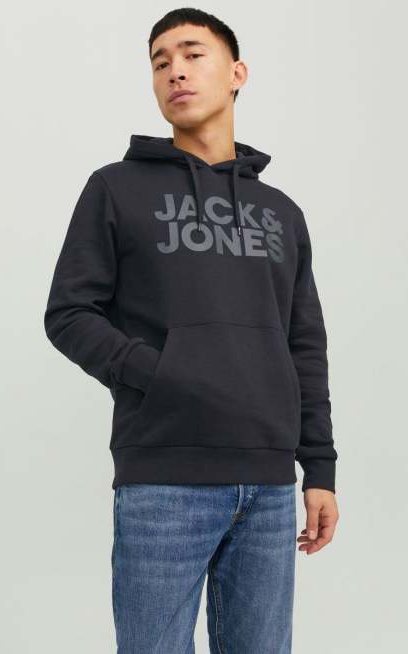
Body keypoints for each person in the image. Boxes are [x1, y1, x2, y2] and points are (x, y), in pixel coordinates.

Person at [44, 7, 339, 653]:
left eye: (192, 54)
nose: (174, 70)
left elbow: (303, 343)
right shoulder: (115, 189)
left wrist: (318, 466)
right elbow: (68, 313)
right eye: (160, 62)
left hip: (268, 485)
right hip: (164, 479)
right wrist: (161, 375)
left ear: (236, 73)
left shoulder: (280, 212)